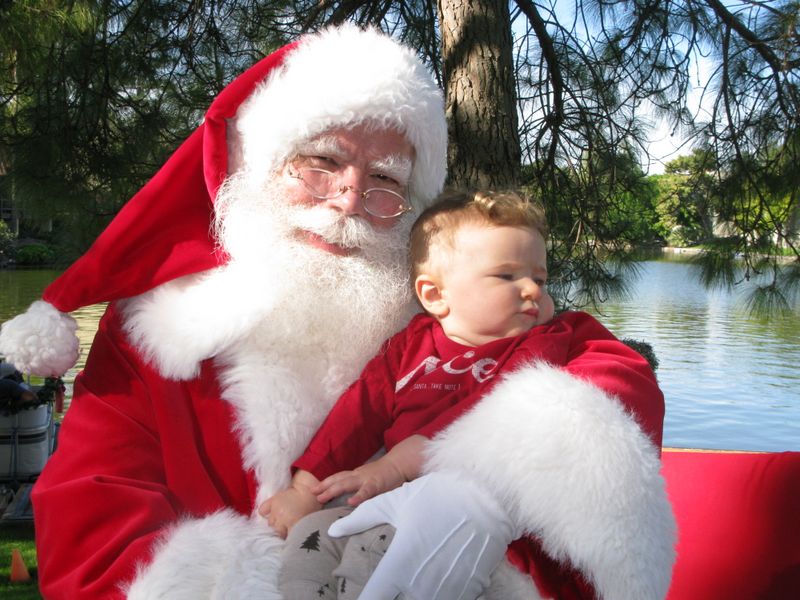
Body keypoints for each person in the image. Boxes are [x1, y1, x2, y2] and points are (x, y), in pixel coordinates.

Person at [0, 25, 675, 600]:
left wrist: (488, 489)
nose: (349, 200)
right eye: (320, 163)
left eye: (385, 179)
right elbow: (92, 511)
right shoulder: (161, 326)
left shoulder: (453, 307)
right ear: (258, 166)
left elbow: (614, 375)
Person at [266, 190, 554, 597]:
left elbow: (485, 415)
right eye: (507, 276)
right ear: (436, 294)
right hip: (385, 493)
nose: (532, 290)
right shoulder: (411, 344)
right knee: (312, 536)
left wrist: (397, 466)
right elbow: (360, 410)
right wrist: (305, 487)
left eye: (539, 279)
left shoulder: (536, 346)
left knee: (377, 553)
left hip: (448, 511)